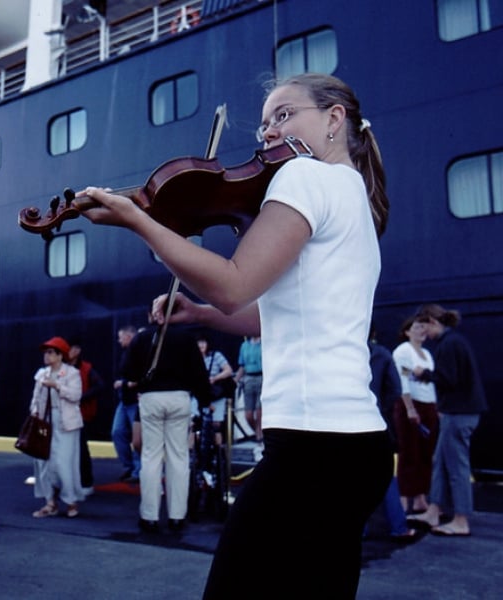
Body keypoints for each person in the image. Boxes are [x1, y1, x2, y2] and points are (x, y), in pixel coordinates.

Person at [81, 73, 392, 597]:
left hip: (311, 450)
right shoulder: (354, 195)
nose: (268, 132)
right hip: (357, 449)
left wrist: (139, 220)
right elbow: (273, 312)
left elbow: (234, 284)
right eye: (266, 122)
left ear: (334, 119)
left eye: (285, 115)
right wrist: (201, 316)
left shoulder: (306, 179)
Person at [123, 324, 213, 533]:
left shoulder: (142, 338)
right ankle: (177, 517)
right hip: (179, 397)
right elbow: (199, 373)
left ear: (151, 315)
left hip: (151, 397)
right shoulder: (186, 337)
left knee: (151, 456)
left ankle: (149, 517)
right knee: (179, 457)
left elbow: (128, 371)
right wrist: (205, 398)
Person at [408, 304, 487, 537]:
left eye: (424, 327)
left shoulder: (449, 344)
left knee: (456, 467)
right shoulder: (454, 342)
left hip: (458, 415)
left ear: (433, 322)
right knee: (440, 462)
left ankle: (461, 520)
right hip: (458, 412)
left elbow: (448, 380)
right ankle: (434, 510)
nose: (424, 334)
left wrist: (424, 374)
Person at [368, 329, 417, 541]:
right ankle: (398, 526)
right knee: (385, 476)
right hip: (375, 421)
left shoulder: (338, 354)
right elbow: (395, 389)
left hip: (340, 421)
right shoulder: (383, 354)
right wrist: (383, 411)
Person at [29, 336, 84, 519]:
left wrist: (57, 386)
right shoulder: (41, 374)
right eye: (46, 352)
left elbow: (76, 395)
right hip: (45, 421)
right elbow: (35, 398)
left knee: (63, 462)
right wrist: (34, 413)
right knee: (43, 461)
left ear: (61, 355)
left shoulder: (71, 373)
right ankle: (50, 502)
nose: (47, 355)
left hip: (66, 421)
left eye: (51, 352)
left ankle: (70, 500)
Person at [392, 316, 438, 513]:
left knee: (426, 453)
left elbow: (433, 382)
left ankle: (420, 497)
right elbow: (403, 380)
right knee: (409, 452)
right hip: (410, 404)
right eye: (417, 327)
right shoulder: (403, 351)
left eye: (423, 327)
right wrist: (410, 408)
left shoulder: (427, 354)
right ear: (407, 332)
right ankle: (404, 499)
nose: (422, 330)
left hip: (429, 405)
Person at [66, 337, 105, 495]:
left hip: (81, 414)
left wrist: (81, 397)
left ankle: (86, 482)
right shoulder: (62, 368)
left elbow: (99, 385)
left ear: (77, 351)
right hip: (66, 413)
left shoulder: (86, 369)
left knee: (81, 449)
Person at [111, 325, 140, 482]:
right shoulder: (125, 354)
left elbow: (141, 378)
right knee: (117, 432)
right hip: (124, 401)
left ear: (128, 337)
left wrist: (123, 384)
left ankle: (137, 470)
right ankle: (128, 466)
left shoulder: (140, 353)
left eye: (120, 337)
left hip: (136, 401)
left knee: (138, 437)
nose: (118, 340)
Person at [233, 336, 263, 443]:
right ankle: (258, 432)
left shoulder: (264, 343)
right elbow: (242, 366)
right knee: (248, 414)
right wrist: (235, 380)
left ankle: (260, 436)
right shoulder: (244, 346)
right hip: (248, 379)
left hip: (262, 377)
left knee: (260, 410)